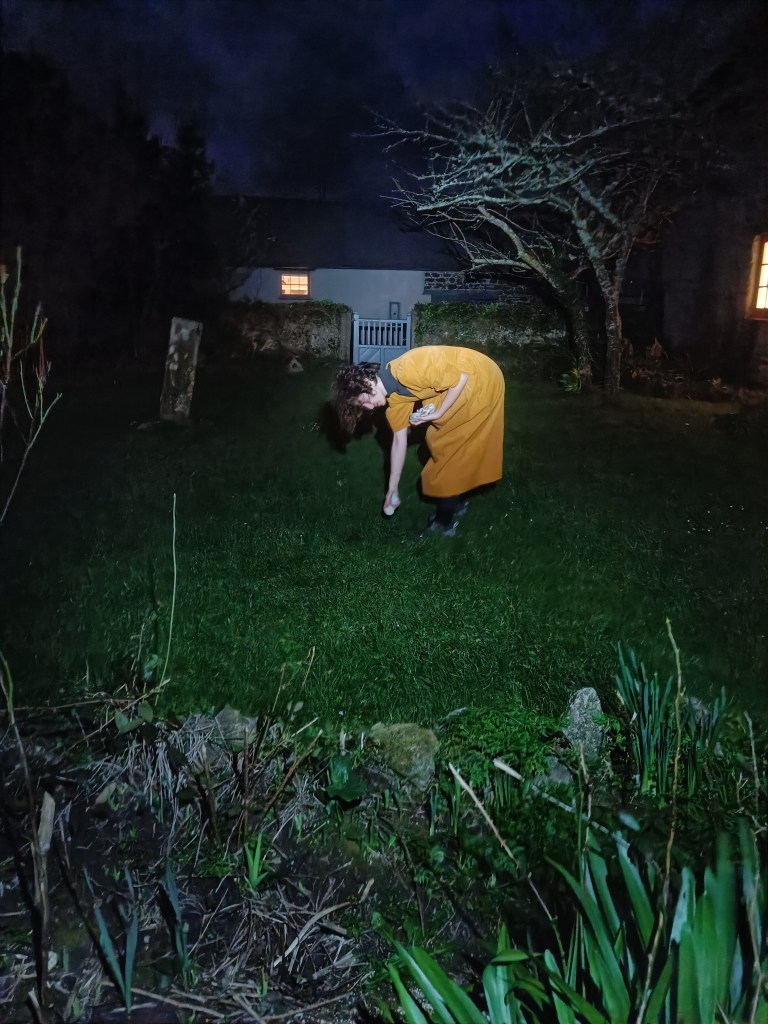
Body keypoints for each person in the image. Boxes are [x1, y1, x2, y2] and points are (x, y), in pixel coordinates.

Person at [334, 345, 505, 536]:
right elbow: (399, 442)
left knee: (449, 458)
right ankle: (455, 504)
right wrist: (392, 489)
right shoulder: (396, 402)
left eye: (363, 400)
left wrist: (439, 411)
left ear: (367, 381)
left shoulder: (409, 368)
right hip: (460, 384)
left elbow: (460, 378)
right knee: (436, 445)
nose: (367, 407)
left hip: (480, 378)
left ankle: (444, 525)